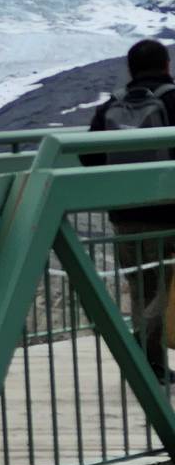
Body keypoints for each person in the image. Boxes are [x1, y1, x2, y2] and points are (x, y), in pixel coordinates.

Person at [84, 38, 175, 383]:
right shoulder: (173, 100)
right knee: (166, 290)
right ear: (166, 65)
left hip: (124, 217)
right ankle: (142, 350)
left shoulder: (110, 107)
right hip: (168, 215)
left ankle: (149, 367)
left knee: (141, 290)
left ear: (131, 69)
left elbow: (90, 157)